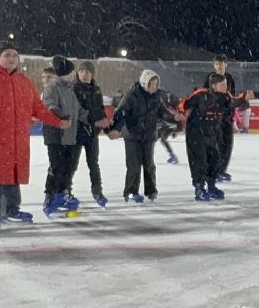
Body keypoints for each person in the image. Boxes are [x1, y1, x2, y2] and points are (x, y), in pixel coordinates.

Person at [0, 41, 69, 226]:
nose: (11, 59)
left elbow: (38, 108)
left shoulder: (24, 82)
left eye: (14, 55)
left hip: (17, 139)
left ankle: (11, 210)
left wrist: (57, 121)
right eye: (7, 55)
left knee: (13, 174)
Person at [39, 56, 87, 215]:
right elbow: (50, 106)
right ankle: (50, 196)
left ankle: (62, 194)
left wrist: (95, 120)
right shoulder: (51, 88)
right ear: (66, 73)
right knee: (57, 166)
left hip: (70, 135)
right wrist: (62, 117)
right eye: (73, 72)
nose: (74, 75)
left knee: (68, 167)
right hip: (56, 134)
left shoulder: (70, 89)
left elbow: (79, 111)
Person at [180, 72, 239, 201]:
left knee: (215, 159)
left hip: (212, 131)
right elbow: (183, 104)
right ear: (213, 85)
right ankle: (199, 188)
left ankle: (211, 186)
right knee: (199, 160)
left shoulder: (226, 97)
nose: (226, 87)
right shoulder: (200, 94)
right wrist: (180, 114)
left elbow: (235, 106)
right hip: (196, 132)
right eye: (222, 85)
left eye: (226, 85)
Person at [113, 70, 168, 202]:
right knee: (134, 165)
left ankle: (151, 190)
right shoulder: (132, 95)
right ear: (144, 82)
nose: (154, 87)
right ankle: (131, 191)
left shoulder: (157, 97)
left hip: (149, 135)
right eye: (151, 84)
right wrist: (115, 129)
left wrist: (174, 118)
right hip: (132, 135)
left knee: (149, 164)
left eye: (156, 84)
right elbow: (121, 113)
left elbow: (163, 113)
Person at [70, 61, 113, 207]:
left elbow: (100, 111)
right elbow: (78, 112)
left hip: (92, 134)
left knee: (93, 164)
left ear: (92, 74)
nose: (84, 75)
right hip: (76, 133)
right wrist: (94, 121)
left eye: (88, 72)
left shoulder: (96, 90)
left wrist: (107, 129)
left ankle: (97, 192)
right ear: (78, 73)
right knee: (72, 165)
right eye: (82, 72)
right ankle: (66, 191)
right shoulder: (74, 88)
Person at [211, 55, 238, 182]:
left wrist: (233, 118)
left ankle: (221, 171)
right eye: (217, 64)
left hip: (227, 118)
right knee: (217, 146)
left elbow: (233, 98)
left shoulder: (230, 78)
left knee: (228, 146)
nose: (219, 66)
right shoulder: (211, 78)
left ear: (226, 65)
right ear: (214, 65)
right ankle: (215, 172)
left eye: (221, 64)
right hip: (215, 119)